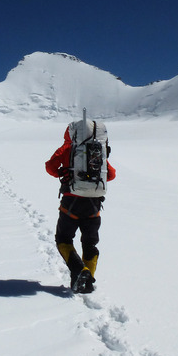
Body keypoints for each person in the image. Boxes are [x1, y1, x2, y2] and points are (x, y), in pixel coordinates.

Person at [45, 119, 116, 293]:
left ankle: (79, 270)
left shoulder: (68, 148)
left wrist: (64, 172)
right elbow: (111, 175)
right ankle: (88, 281)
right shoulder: (97, 151)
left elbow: (50, 167)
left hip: (71, 203)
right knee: (90, 243)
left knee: (63, 239)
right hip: (94, 204)